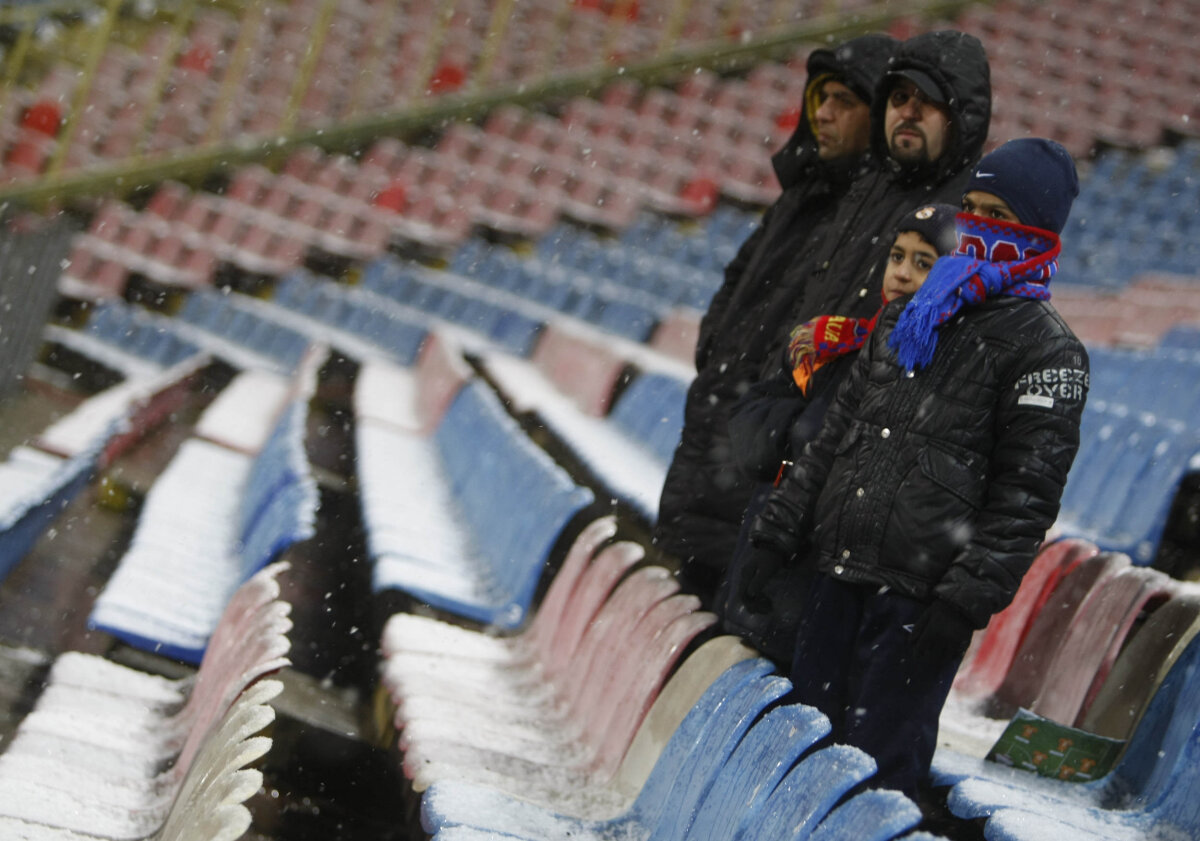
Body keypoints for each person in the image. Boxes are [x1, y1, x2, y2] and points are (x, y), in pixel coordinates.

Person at [746, 138, 1089, 800]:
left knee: (876, 782)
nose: (980, 224)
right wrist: (777, 527)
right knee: (802, 763)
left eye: (1001, 214)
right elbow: (838, 432)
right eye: (973, 208)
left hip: (917, 600)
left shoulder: (1048, 349)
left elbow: (1026, 496)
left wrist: (965, 601)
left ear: (1038, 231)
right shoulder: (910, 313)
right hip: (837, 572)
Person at [656, 31, 991, 608]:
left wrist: (796, 423)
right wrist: (734, 365)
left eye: (927, 100)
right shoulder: (856, 191)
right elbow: (762, 293)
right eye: (899, 96)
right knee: (710, 623)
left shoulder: (947, 218)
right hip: (756, 450)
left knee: (750, 644)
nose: (826, 115)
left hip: (806, 479)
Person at [717, 202, 960, 666]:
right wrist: (796, 433)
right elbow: (749, 428)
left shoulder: (935, 370)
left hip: (816, 584)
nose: (902, 273)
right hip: (767, 553)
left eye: (923, 263)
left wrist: (805, 438)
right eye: (897, 256)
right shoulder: (836, 341)